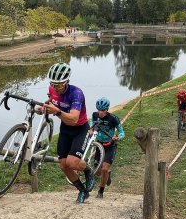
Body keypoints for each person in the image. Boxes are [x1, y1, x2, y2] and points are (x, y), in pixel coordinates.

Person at [42, 62, 95, 204]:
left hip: (80, 128)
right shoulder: (52, 89)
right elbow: (51, 102)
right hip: (65, 129)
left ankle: (88, 170)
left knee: (72, 162)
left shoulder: (76, 93)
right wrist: (43, 107)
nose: (56, 88)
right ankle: (83, 191)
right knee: (64, 165)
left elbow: (73, 118)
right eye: (53, 84)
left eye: (59, 85)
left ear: (67, 82)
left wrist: (57, 111)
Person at [89, 97, 125, 199]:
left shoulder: (113, 118)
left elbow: (122, 132)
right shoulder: (95, 115)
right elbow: (91, 124)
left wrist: (118, 137)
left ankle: (101, 191)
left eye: (103, 110)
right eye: (99, 110)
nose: (100, 112)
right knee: (98, 171)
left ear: (107, 109)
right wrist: (90, 130)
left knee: (104, 169)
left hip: (110, 146)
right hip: (99, 145)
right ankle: (108, 174)